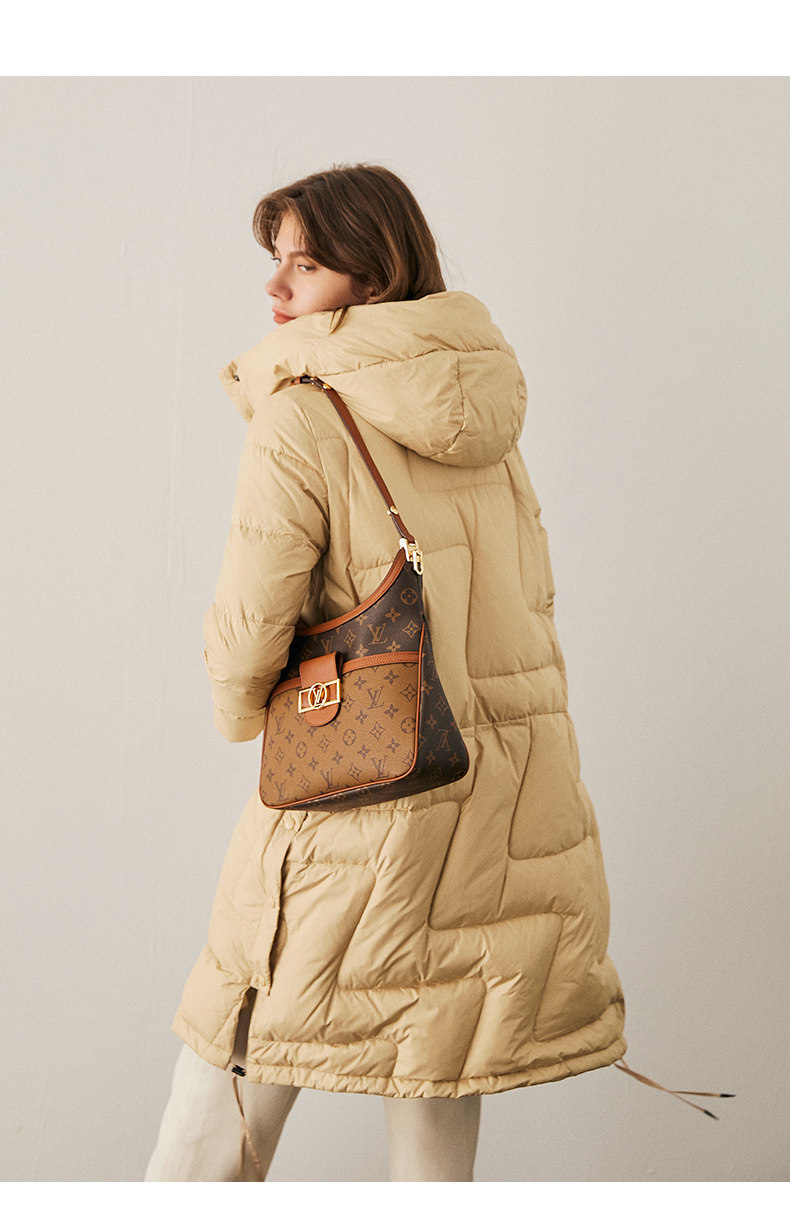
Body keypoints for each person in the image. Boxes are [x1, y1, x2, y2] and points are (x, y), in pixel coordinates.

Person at [144, 163, 626, 1183]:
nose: (276, 288)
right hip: (498, 800)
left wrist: (236, 707)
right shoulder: (483, 414)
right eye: (275, 261)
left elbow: (249, 631)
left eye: (305, 264)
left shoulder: (301, 411)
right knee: (439, 1065)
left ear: (370, 276)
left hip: (355, 799)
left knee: (225, 1073)